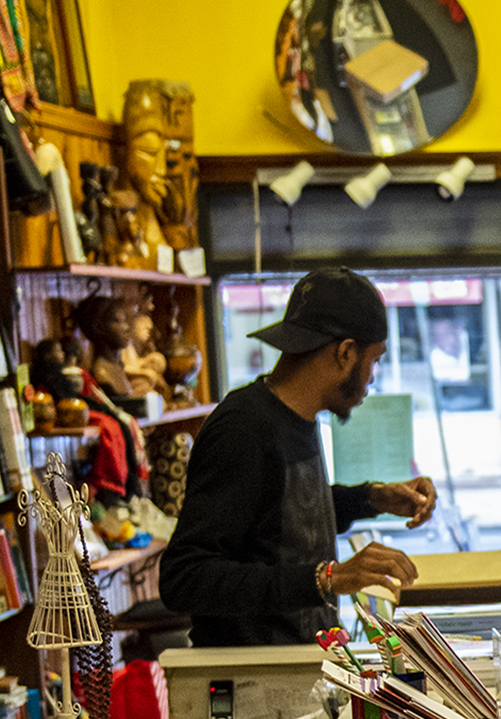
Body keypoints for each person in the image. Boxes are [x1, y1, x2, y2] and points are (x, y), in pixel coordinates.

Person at [161, 268, 437, 645]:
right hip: (249, 691)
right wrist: (327, 578)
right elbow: (185, 578)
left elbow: (279, 523)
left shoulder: (298, 418)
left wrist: (372, 498)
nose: (373, 376)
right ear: (345, 353)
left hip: (296, 677)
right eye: (374, 360)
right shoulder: (243, 429)